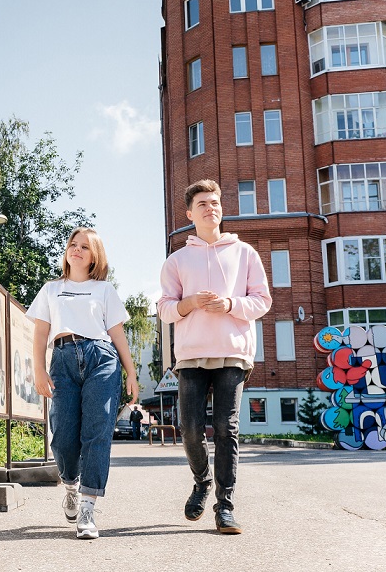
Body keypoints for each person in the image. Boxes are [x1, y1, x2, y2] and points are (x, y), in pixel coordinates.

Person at [158, 180, 271, 535]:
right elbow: (164, 309)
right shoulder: (177, 260)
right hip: (191, 355)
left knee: (226, 427)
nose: (211, 208)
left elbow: (262, 301)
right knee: (190, 427)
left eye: (215, 202)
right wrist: (188, 303)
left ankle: (226, 506)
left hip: (233, 352)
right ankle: (202, 482)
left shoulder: (245, 254)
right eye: (203, 204)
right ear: (190, 214)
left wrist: (231, 305)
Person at [27, 227, 139, 539]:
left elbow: (117, 335)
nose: (76, 250)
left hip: (101, 358)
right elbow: (39, 334)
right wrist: (38, 370)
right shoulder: (51, 289)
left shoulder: (104, 290)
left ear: (94, 257)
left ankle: (88, 508)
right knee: (62, 434)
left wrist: (131, 373)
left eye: (85, 247)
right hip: (62, 359)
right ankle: (71, 485)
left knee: (97, 432)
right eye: (73, 245)